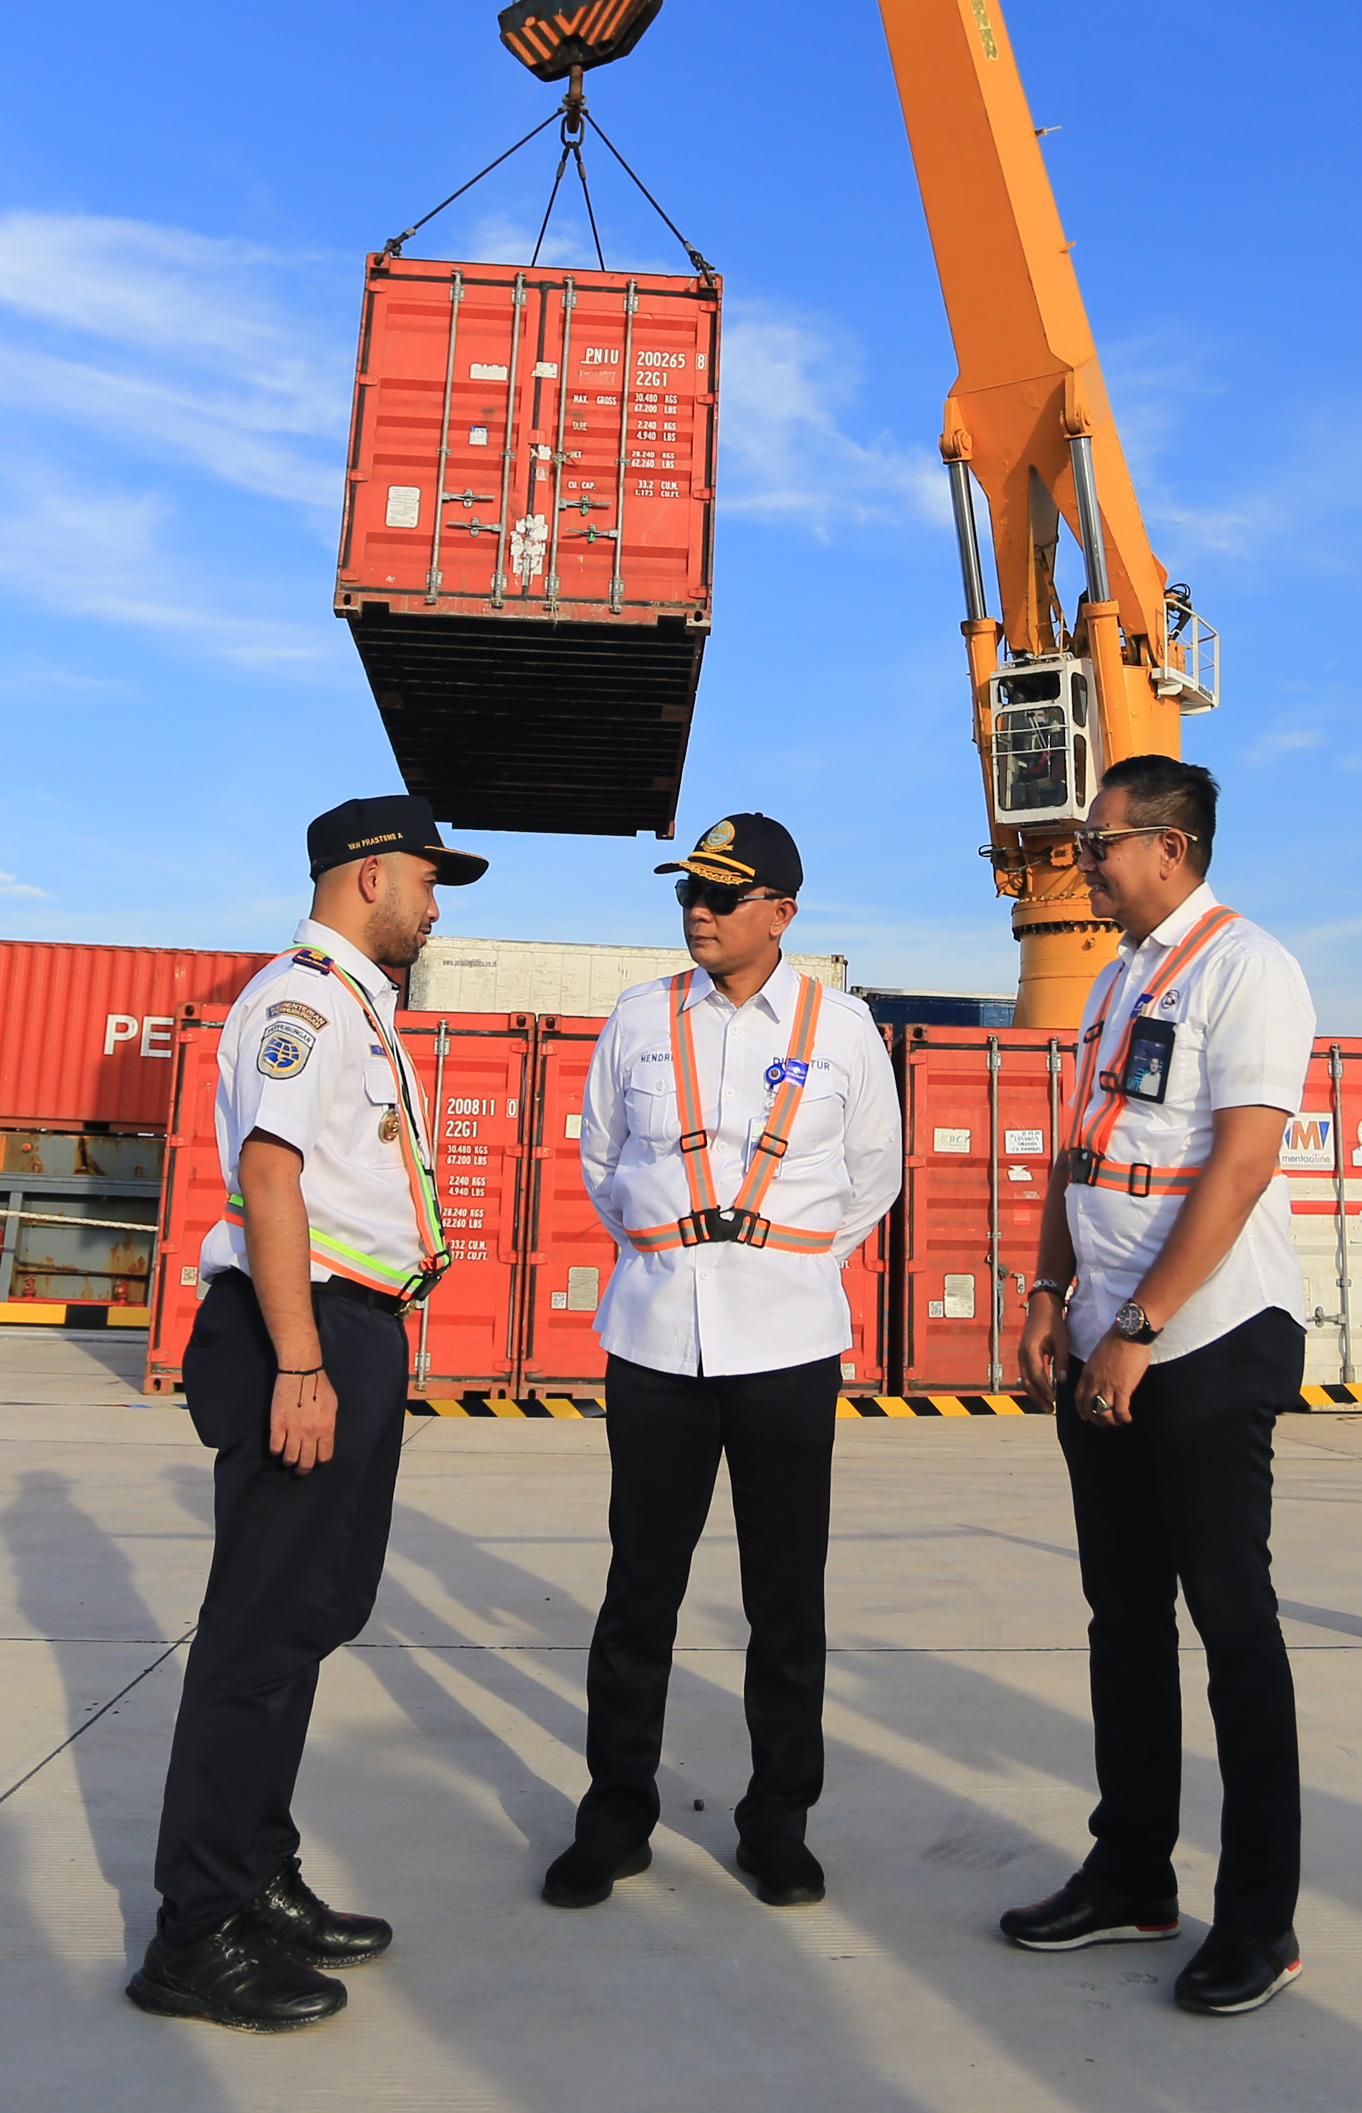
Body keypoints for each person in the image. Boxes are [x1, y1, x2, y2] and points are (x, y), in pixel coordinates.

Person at [126, 793, 488, 2034]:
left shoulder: (355, 1004)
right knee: (255, 1634)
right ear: (369, 877)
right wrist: (298, 1365)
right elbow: (268, 1178)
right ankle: (195, 1933)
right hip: (305, 1331)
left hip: (350, 1329)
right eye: (429, 883)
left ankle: (254, 1873)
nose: (436, 908)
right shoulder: (299, 1002)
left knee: (314, 1615)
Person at [999, 754, 1318, 2017]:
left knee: (1232, 1631)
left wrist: (1138, 1323)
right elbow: (1081, 1154)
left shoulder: (1252, 971)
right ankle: (1131, 1874)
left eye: (1100, 842)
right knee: (1121, 1620)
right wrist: (1046, 1296)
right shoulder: (1114, 979)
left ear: (1170, 849)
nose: (1084, 860)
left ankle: (1260, 1922)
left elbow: (1236, 1169)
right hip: (1101, 1334)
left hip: (1206, 1340)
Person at [541, 813, 902, 1913]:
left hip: (787, 1346)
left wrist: (777, 1266)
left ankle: (778, 1822)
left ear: (781, 914)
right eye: (688, 892)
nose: (697, 910)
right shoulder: (637, 1020)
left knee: (784, 1598)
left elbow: (870, 1180)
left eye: (723, 895)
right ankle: (613, 1817)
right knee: (638, 1591)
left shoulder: (840, 1029)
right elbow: (603, 1160)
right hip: (653, 1340)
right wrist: (675, 1249)